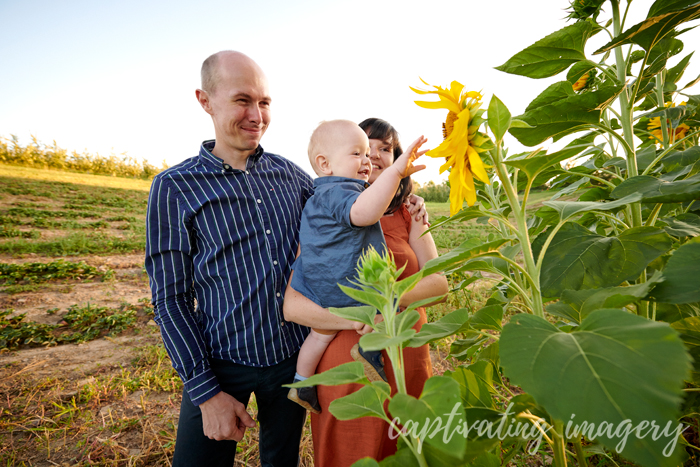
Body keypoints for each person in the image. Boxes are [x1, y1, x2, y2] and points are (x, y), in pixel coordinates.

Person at [145, 50, 315, 467]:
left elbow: (342, 218)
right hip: (221, 364)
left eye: (265, 102)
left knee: (282, 461)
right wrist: (206, 392)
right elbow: (171, 300)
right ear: (205, 100)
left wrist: (404, 202)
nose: (256, 114)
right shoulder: (174, 187)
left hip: (291, 359)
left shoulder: (293, 176)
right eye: (243, 100)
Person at [284, 118, 449, 466]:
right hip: (346, 358)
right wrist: (356, 316)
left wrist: (386, 302)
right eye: (364, 148)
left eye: (385, 149)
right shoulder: (326, 212)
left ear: (396, 160)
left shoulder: (410, 212)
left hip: (406, 350)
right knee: (351, 452)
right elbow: (294, 306)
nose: (373, 156)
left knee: (411, 449)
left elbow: (439, 285)